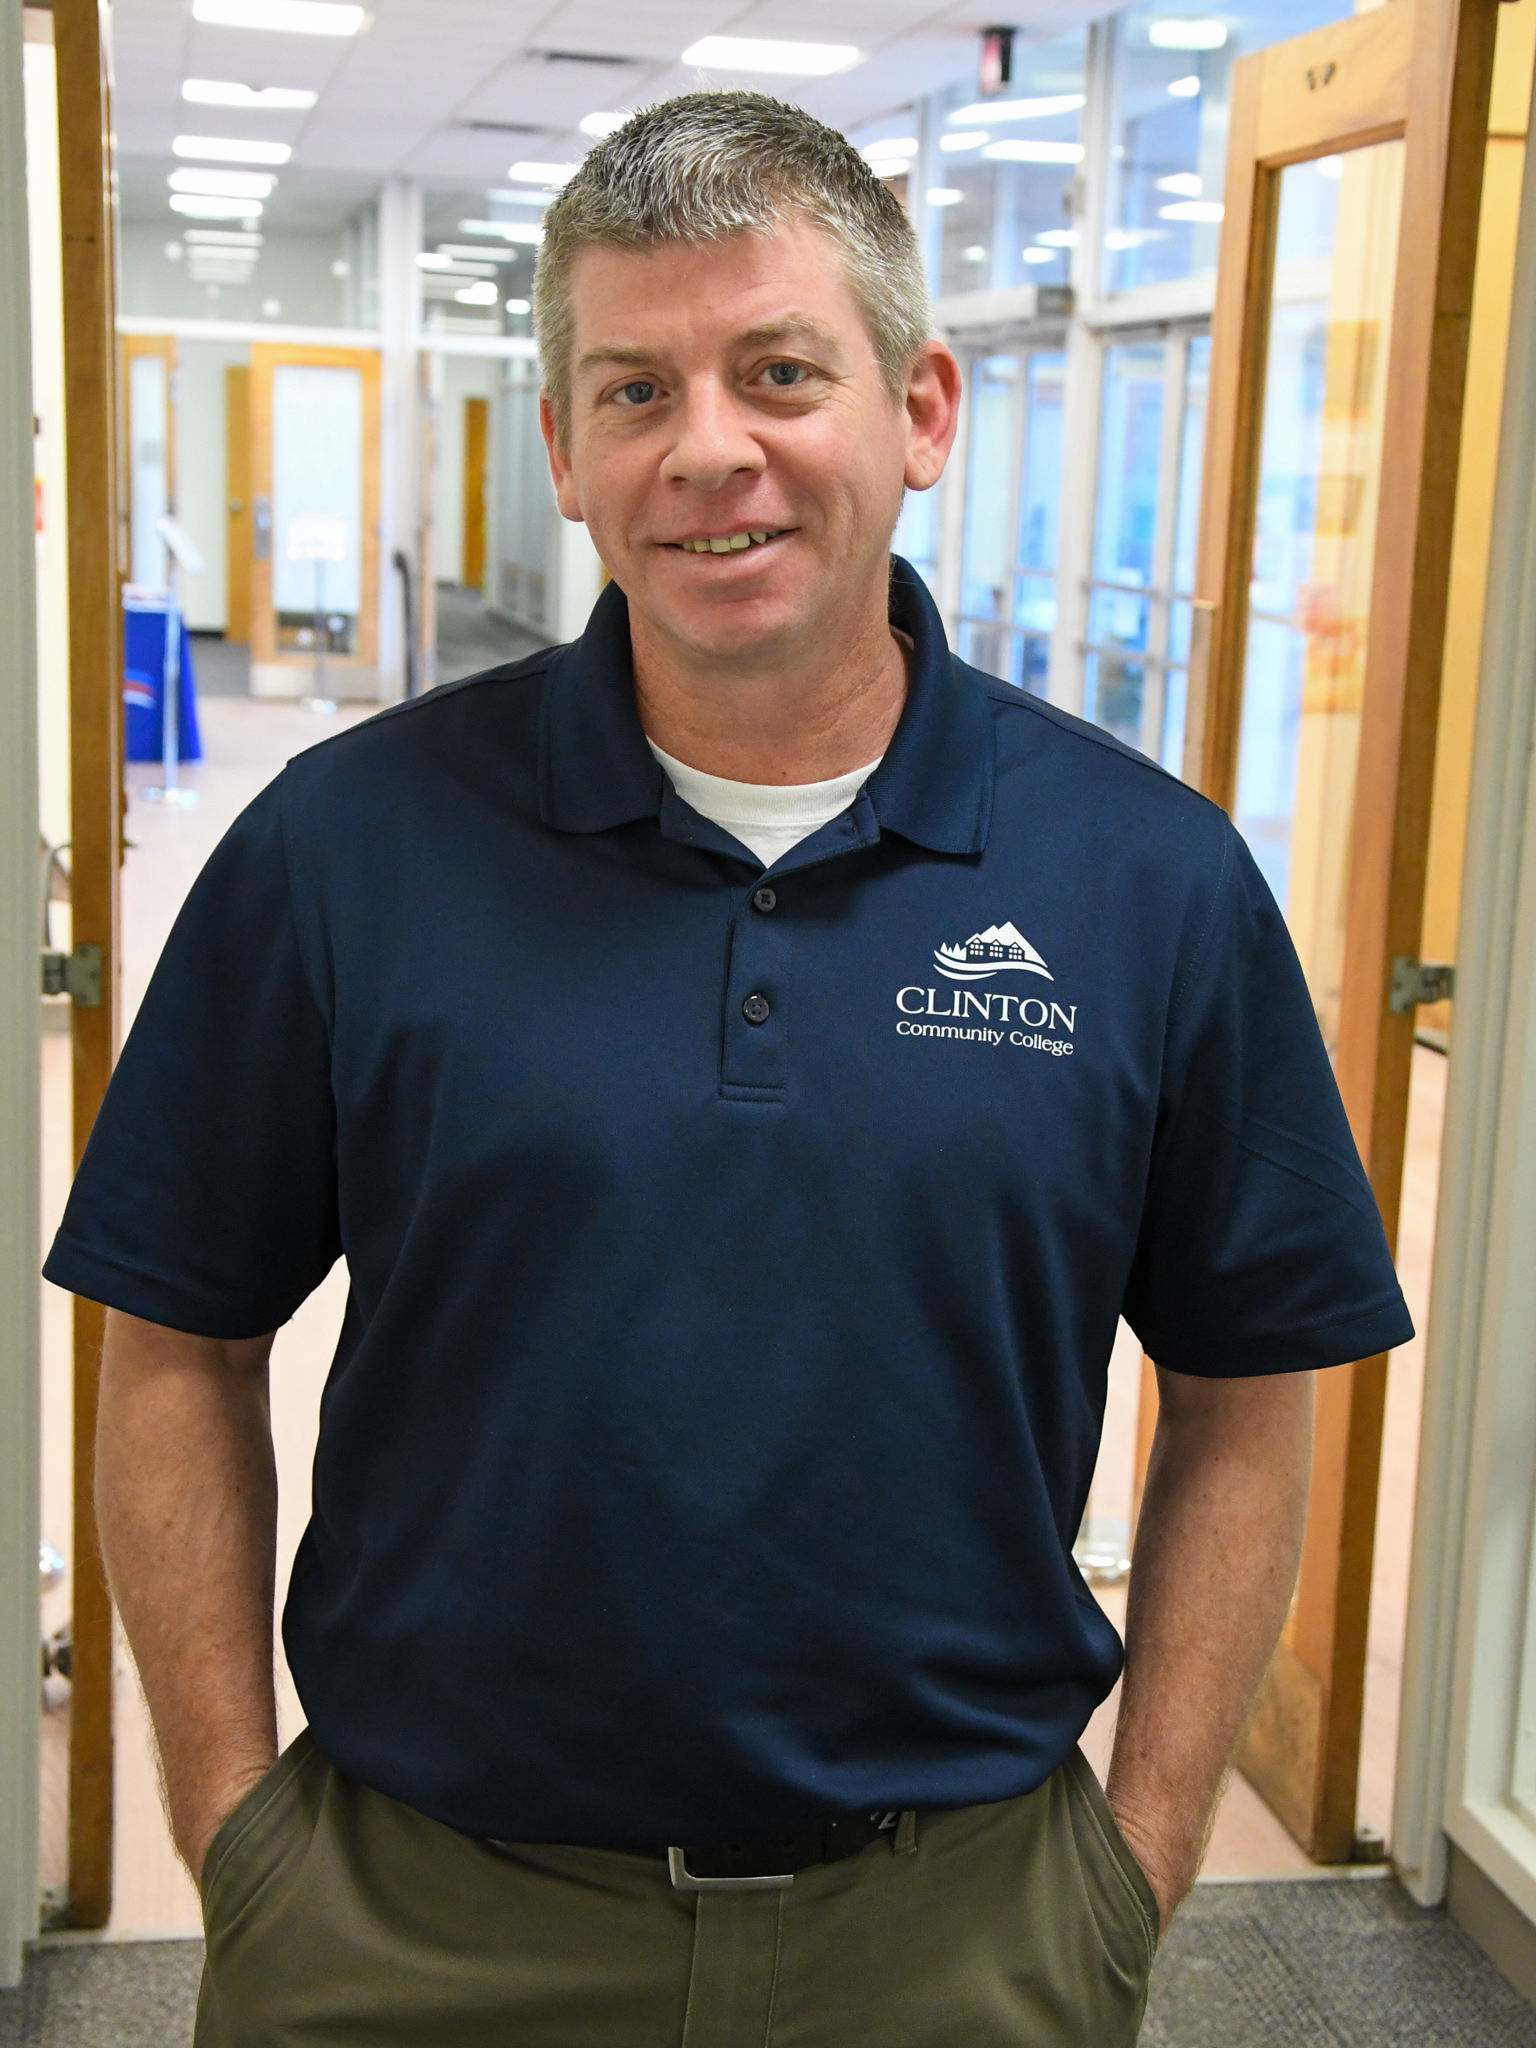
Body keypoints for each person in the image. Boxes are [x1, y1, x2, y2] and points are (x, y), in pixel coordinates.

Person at [46, 91, 1412, 2047]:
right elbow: (173, 1338)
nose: (709, 451)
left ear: (921, 412)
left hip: (958, 1938)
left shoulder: (1150, 879)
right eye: (632, 390)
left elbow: (1251, 1382)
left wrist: (1139, 1856)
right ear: (565, 452)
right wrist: (234, 1836)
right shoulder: (343, 851)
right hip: (410, 1928)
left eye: (780, 371)